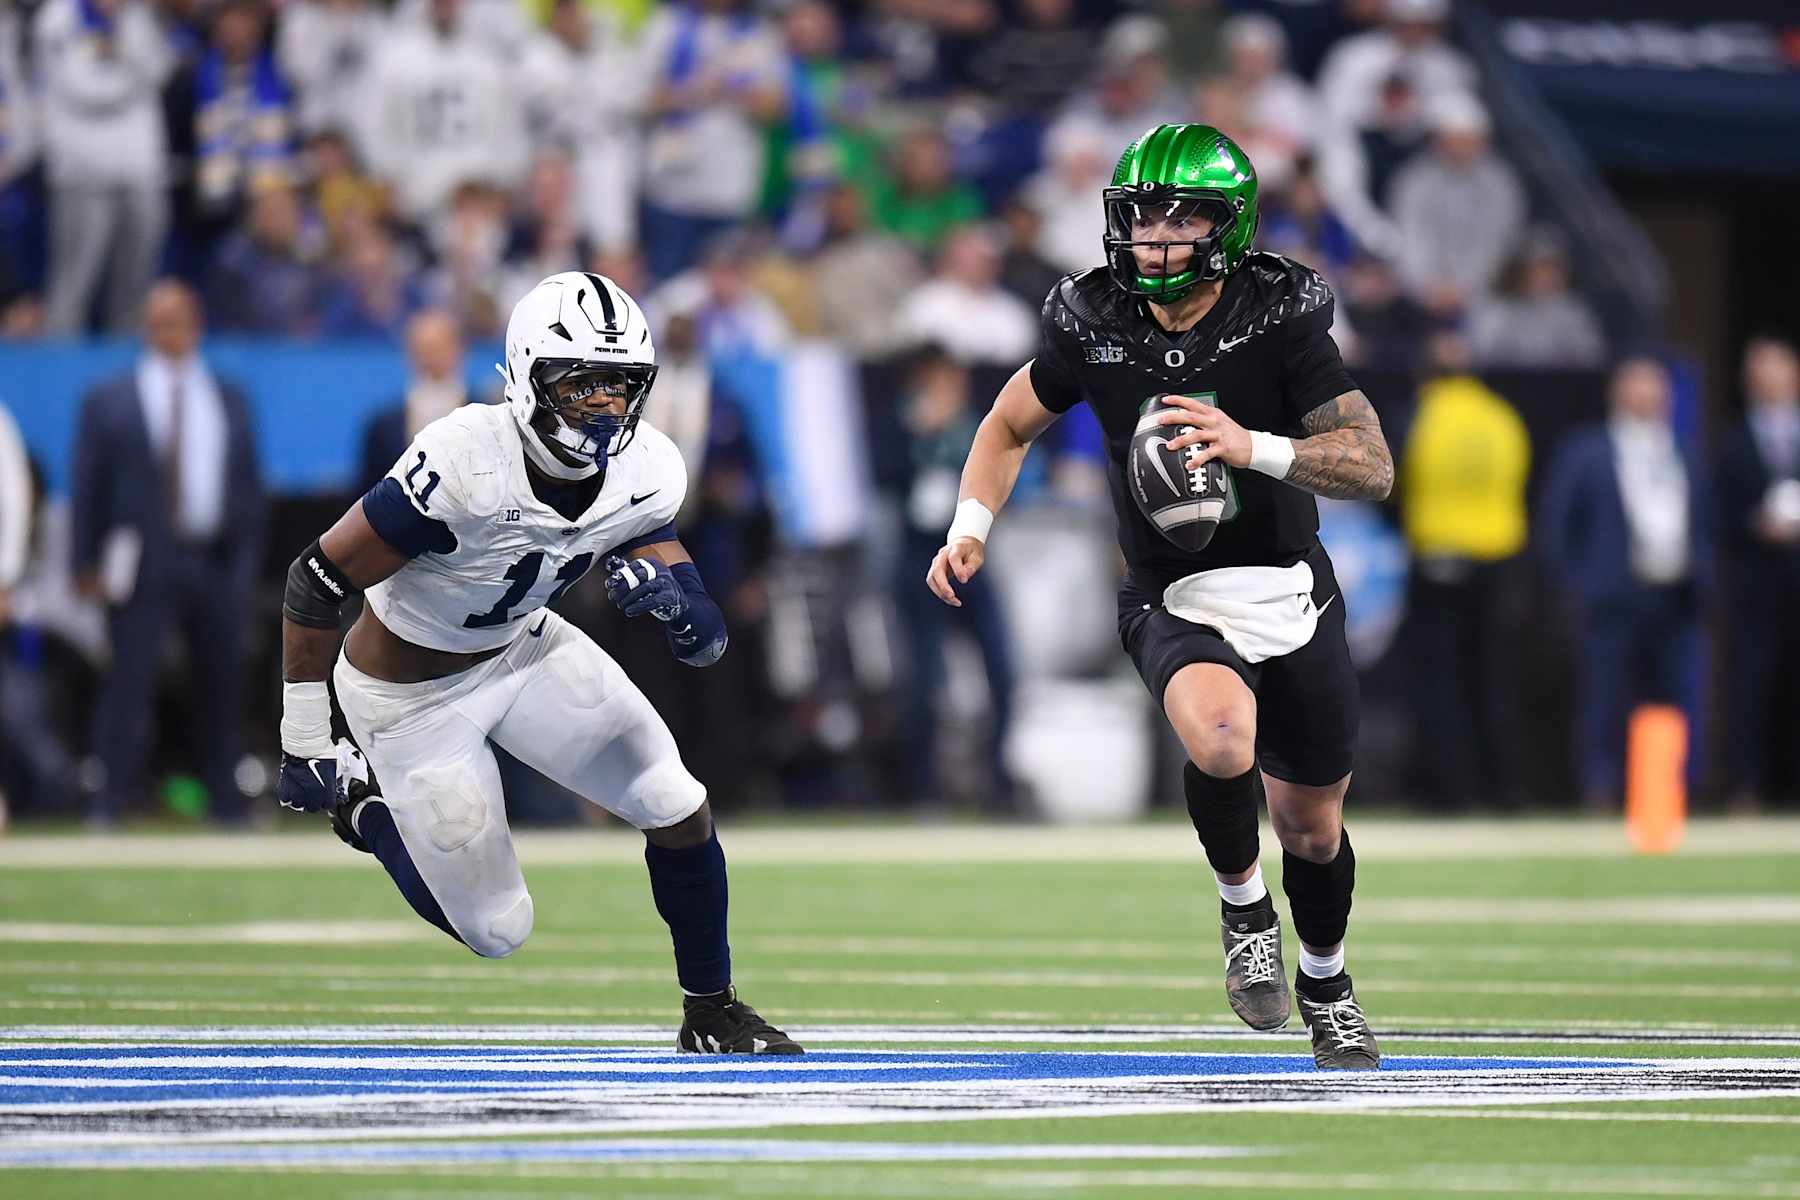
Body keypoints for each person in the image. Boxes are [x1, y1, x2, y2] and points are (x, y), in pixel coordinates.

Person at [927, 124, 1392, 1069]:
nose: (1154, 238)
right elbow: (1008, 423)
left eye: (1180, 219)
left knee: (1312, 825)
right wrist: (969, 528)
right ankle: (1242, 913)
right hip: (1171, 592)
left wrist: (1251, 444)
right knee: (1222, 738)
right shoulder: (1092, 319)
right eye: (1141, 217)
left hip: (1290, 587)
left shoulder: (1280, 314)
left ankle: (1329, 980)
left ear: (1228, 228)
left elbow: (1372, 465)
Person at [275, 271, 801, 1055]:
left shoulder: (646, 468)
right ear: (526, 376)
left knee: (676, 800)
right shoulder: (461, 460)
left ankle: (712, 1010)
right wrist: (305, 736)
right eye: (581, 382)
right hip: (408, 697)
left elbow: (707, 637)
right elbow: (314, 580)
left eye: (621, 385)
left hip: (522, 649)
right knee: (496, 927)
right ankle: (360, 806)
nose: (603, 405)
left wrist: (678, 608)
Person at [71, 280, 266, 823]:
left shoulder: (227, 397)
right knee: (128, 683)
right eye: (158, 321)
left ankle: (227, 805)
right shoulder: (110, 399)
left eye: (177, 319)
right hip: (139, 563)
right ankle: (109, 802)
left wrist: (244, 569)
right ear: (146, 327)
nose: (168, 331)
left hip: (213, 560)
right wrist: (83, 563)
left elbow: (248, 490)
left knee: (222, 687)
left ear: (196, 323)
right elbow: (89, 488)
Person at [1537, 357, 1710, 811]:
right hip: (1612, 596)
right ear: (1617, 391)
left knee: (1674, 696)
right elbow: (1556, 524)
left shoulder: (1684, 449)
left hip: (1674, 592)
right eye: (1640, 385)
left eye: (1657, 386)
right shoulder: (1587, 450)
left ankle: (1666, 794)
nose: (1650, 395)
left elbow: (1703, 522)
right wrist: (1578, 585)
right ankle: (1600, 788)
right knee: (1604, 696)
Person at [1396, 334, 1531, 809]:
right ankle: (1506, 790)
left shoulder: (1421, 414)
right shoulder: (1502, 417)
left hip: (1438, 561)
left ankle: (1451, 793)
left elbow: (1391, 478)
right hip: (1498, 562)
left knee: (1439, 683)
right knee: (1494, 681)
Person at [1714, 338, 1800, 809]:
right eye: (1761, 371)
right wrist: (1755, 525)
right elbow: (1719, 514)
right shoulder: (1732, 442)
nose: (1771, 380)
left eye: (1779, 369)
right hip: (1756, 584)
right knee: (1751, 688)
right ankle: (1746, 787)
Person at [357, 310, 468, 495]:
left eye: (439, 348)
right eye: (423, 349)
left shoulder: (487, 415)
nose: (431, 358)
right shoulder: (383, 428)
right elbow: (367, 497)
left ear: (458, 350)